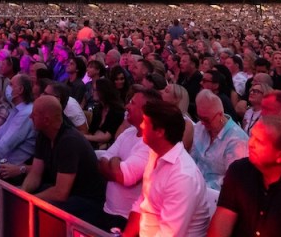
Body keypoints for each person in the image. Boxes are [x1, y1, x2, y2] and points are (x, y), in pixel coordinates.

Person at [123, 98, 213, 237]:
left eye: (145, 122)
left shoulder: (183, 176)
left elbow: (169, 234)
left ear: (160, 132)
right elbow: (142, 203)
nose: (140, 126)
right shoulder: (155, 153)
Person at [20, 95, 106, 225]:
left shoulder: (69, 142)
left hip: (86, 201)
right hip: (67, 193)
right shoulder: (44, 135)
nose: (30, 117)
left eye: (34, 114)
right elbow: (35, 174)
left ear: (46, 120)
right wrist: (22, 193)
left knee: (37, 214)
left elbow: (61, 193)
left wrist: (30, 202)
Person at [97, 87, 154, 232]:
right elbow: (102, 163)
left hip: (127, 219)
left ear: (145, 111)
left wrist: (114, 161)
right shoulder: (128, 132)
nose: (127, 106)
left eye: (132, 103)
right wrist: (115, 164)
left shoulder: (150, 144)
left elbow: (124, 177)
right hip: (107, 210)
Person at [192, 90, 248, 191]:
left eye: (206, 119)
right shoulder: (200, 128)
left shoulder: (237, 140)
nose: (202, 123)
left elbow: (233, 179)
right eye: (199, 117)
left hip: (216, 195)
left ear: (220, 115)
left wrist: (200, 188)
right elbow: (192, 159)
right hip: (193, 186)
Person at [85, 77, 125, 148]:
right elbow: (92, 131)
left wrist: (84, 137)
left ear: (103, 92)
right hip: (96, 143)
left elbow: (106, 137)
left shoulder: (117, 111)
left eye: (95, 90)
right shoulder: (98, 109)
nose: (92, 92)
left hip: (111, 146)